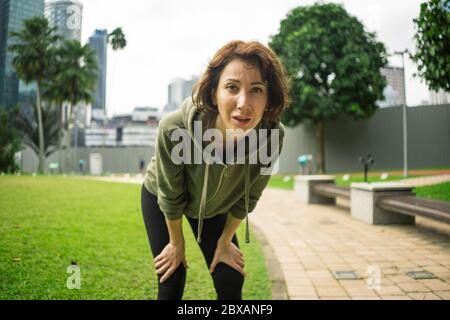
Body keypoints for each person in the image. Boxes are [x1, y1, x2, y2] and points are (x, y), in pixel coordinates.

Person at [141, 40, 289, 300]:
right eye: (232, 87)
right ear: (213, 93)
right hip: (161, 197)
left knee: (230, 278)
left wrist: (225, 241)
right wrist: (177, 244)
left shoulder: (272, 137)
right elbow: (171, 195)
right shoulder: (174, 128)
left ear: (268, 99)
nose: (244, 103)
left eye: (256, 90)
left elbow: (249, 197)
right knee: (171, 277)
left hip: (212, 208)